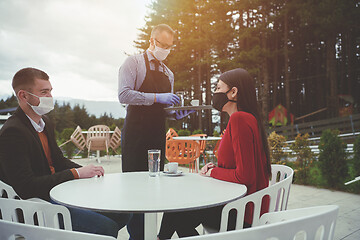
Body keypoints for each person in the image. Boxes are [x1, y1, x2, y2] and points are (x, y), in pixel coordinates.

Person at [0, 67, 131, 238]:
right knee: (104, 227)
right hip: (33, 205)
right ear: (24, 96)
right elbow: (26, 187)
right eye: (44, 92)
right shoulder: (13, 132)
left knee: (122, 212)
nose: (50, 97)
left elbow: (59, 161)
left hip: (55, 193)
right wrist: (75, 173)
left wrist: (89, 171)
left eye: (50, 91)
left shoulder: (45, 122)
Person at [158, 68, 272, 239]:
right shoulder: (247, 118)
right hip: (244, 205)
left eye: (218, 88)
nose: (215, 93)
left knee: (177, 206)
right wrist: (218, 168)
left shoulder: (239, 119)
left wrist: (213, 172)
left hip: (240, 213)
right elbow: (242, 165)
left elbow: (245, 176)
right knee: (179, 212)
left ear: (233, 92)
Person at [118, 23, 193, 239]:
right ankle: (138, 236)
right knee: (134, 189)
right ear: (152, 41)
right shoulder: (133, 63)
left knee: (154, 185)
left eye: (170, 46)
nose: (166, 50)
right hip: (135, 136)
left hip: (156, 136)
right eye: (163, 45)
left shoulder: (168, 74)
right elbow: (124, 95)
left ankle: (158, 234)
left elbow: (163, 109)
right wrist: (156, 97)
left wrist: (174, 114)